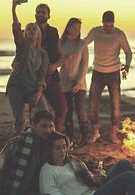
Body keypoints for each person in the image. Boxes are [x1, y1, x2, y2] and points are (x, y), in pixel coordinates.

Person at [3, 109, 75, 195]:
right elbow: (15, 177)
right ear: (33, 125)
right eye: (43, 126)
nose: (47, 130)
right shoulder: (23, 144)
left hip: (49, 188)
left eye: (50, 126)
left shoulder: (48, 140)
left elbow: (65, 158)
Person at [12, 3, 68, 132]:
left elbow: (60, 56)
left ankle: (54, 137)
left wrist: (55, 65)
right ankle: (35, 140)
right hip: (32, 78)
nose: (40, 14)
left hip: (51, 77)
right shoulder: (30, 31)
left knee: (62, 108)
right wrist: (14, 63)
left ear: (48, 15)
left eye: (43, 12)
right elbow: (19, 52)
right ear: (35, 14)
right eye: (38, 12)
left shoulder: (53, 32)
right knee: (35, 114)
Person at [84, 11, 132, 144]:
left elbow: (128, 52)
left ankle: (113, 134)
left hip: (114, 74)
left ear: (114, 23)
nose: (109, 29)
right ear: (102, 22)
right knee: (93, 105)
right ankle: (96, 134)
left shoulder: (119, 34)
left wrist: (127, 65)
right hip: (97, 73)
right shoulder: (95, 32)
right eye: (106, 26)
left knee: (115, 106)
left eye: (111, 26)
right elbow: (83, 44)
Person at [6, 0, 49, 136]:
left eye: (34, 28)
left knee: (43, 115)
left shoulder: (43, 54)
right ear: (25, 34)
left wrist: (38, 92)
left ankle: (43, 143)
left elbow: (41, 76)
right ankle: (18, 146)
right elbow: (16, 29)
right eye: (28, 29)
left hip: (33, 90)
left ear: (38, 34)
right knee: (20, 121)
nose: (31, 30)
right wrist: (14, 9)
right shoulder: (22, 46)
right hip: (16, 87)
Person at [59, 18, 89, 147]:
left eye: (79, 30)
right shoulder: (60, 43)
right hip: (64, 82)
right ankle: (69, 138)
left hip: (79, 83)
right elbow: (55, 62)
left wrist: (79, 82)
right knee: (67, 111)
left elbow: (85, 65)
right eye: (75, 29)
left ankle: (84, 138)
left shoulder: (82, 43)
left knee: (80, 109)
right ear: (69, 27)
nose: (77, 32)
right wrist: (65, 59)